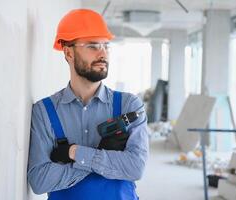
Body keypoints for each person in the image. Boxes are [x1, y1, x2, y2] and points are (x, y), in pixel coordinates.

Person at [27, 9, 149, 200]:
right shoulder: (45, 111)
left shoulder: (129, 105)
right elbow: (40, 180)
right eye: (93, 46)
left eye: (106, 46)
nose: (103, 54)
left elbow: (135, 168)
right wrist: (104, 159)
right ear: (68, 53)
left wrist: (74, 153)